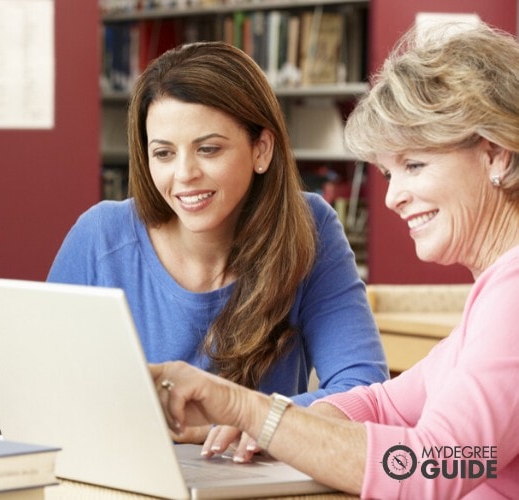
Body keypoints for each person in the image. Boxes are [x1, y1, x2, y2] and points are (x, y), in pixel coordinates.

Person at [149, 20, 519, 498]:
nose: (393, 198)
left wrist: (249, 412)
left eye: (414, 165)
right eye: (389, 173)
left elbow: (437, 464)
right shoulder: (498, 292)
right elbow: (384, 404)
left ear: (495, 156)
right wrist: (285, 427)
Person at [48, 40, 388, 442]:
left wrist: (253, 420)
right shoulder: (100, 237)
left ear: (261, 149)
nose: (185, 173)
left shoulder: (309, 226)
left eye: (208, 149)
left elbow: (361, 389)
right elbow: (42, 387)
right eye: (163, 153)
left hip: (252, 479)